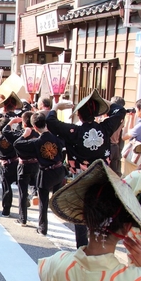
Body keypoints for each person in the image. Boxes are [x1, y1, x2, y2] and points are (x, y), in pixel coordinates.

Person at [46, 89, 126, 247]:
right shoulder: (105, 128)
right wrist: (103, 102)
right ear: (96, 113)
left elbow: (51, 122)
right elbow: (120, 110)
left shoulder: (74, 131)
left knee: (81, 209)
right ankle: (99, 243)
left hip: (82, 175)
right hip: (103, 175)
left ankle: (82, 246)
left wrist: (56, 107)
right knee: (100, 208)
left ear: (79, 115)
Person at [15, 112, 66, 235]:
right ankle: (62, 214)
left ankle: (43, 228)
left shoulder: (37, 142)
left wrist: (24, 135)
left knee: (43, 202)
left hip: (46, 173)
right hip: (59, 170)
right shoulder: (56, 138)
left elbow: (17, 145)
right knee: (57, 196)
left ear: (35, 127)